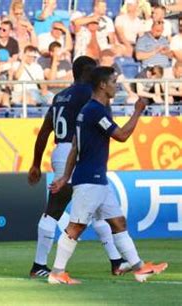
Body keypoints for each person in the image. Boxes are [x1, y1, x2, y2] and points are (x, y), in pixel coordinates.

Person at [48, 66, 168, 284]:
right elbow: (121, 135)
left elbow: (75, 146)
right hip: (90, 181)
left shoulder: (88, 110)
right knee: (76, 226)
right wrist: (138, 111)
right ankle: (57, 273)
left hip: (97, 180)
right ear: (103, 85)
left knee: (118, 222)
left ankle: (139, 268)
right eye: (114, 82)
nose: (116, 86)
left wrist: (65, 177)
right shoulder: (95, 111)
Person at [28, 56, 129, 278]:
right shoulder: (89, 95)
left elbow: (45, 130)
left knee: (96, 208)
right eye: (94, 71)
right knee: (58, 209)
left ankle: (116, 261)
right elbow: (107, 127)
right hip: (77, 154)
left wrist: (36, 163)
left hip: (60, 151)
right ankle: (39, 266)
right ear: (86, 72)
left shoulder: (60, 96)